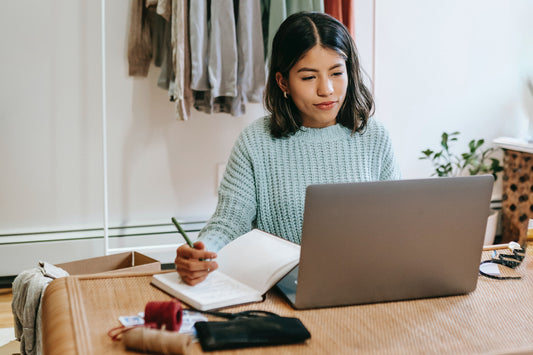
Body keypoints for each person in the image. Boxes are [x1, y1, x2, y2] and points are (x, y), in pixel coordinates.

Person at [175, 11, 401, 285]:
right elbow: (229, 222)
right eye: (308, 78)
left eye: (336, 73)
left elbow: (396, 226)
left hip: (365, 285)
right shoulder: (256, 141)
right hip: (283, 293)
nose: (327, 89)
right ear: (283, 82)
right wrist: (201, 252)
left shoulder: (375, 137)